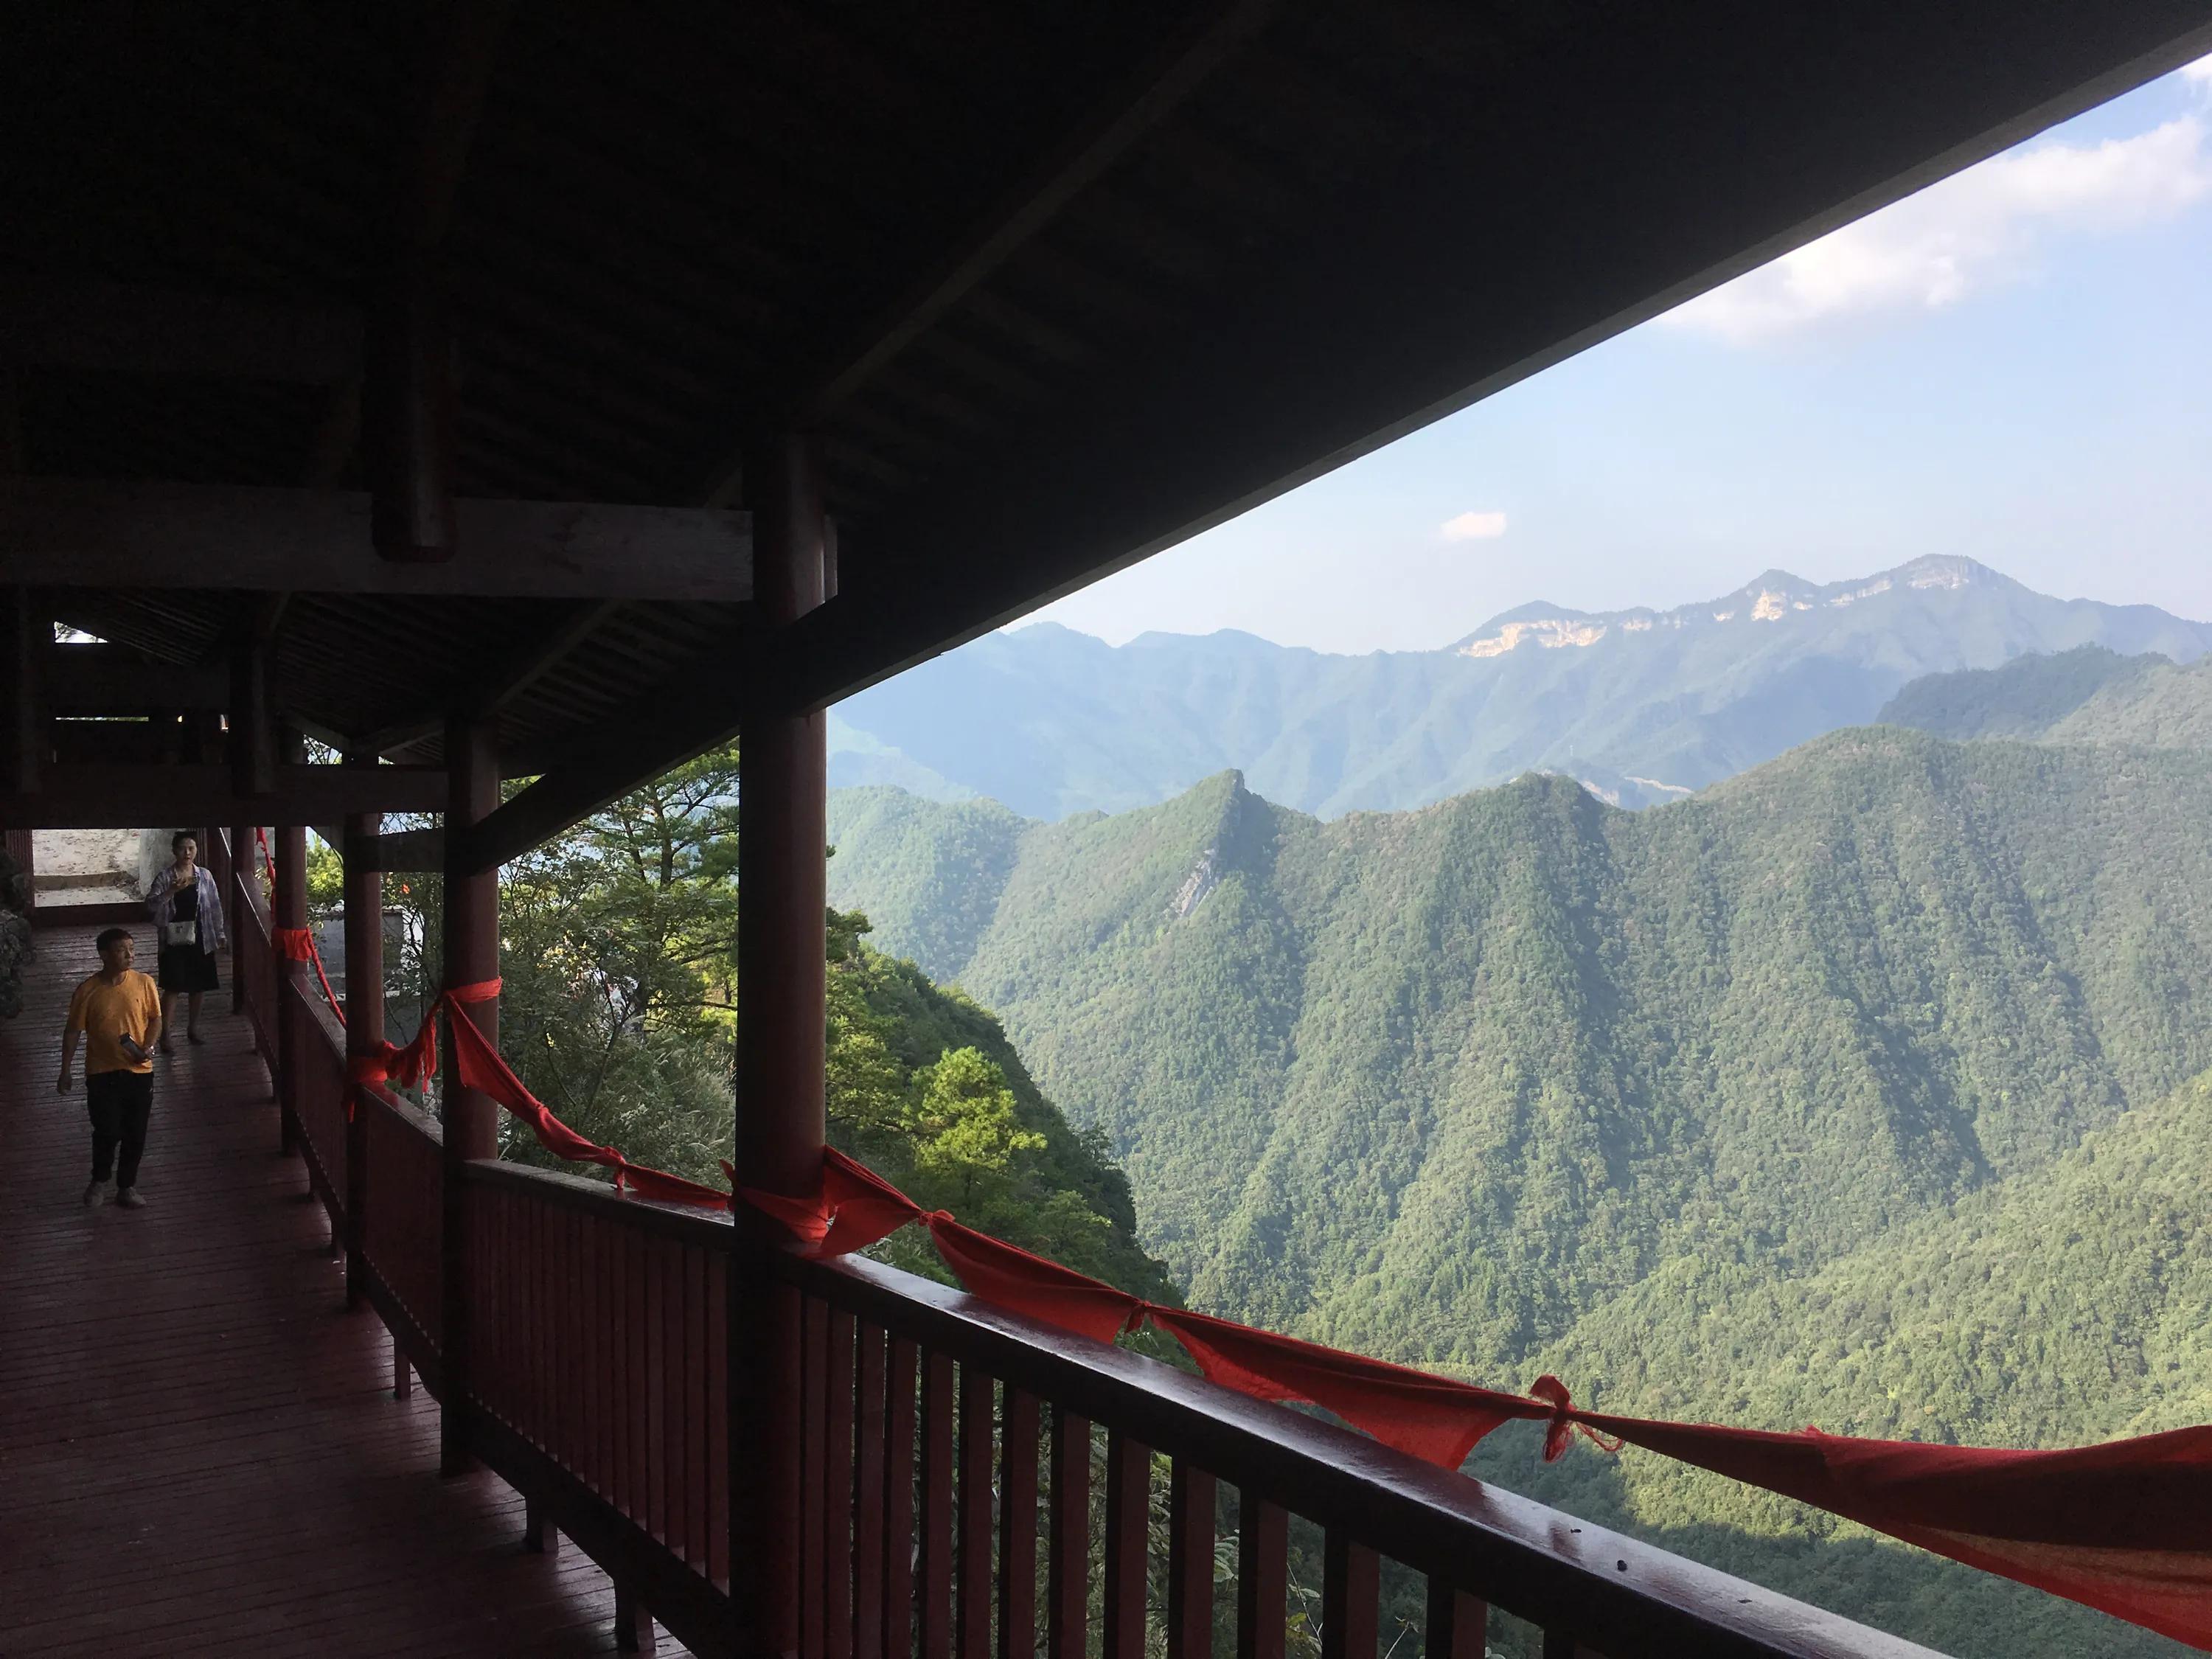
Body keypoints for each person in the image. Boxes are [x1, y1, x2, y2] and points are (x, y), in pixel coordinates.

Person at [58, 927, 163, 1208]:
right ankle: (99, 1180)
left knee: (136, 1132)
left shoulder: (144, 983)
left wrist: (148, 1048)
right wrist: (65, 1069)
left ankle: (126, 1186)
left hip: (139, 1070)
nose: (130, 955)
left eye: (131, 948)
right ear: (104, 955)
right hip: (101, 1071)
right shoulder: (88, 991)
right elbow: (73, 1032)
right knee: (106, 1129)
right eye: (121, 950)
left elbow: (155, 1019)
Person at [145, 830, 224, 1053]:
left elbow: (215, 906)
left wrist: (220, 934)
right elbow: (150, 905)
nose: (187, 853)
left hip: (201, 936)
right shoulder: (165, 877)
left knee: (198, 986)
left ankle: (193, 1029)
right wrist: (171, 890)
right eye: (182, 848)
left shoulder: (205, 876)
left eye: (191, 848)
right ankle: (166, 1035)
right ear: (174, 851)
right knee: (173, 986)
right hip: (174, 937)